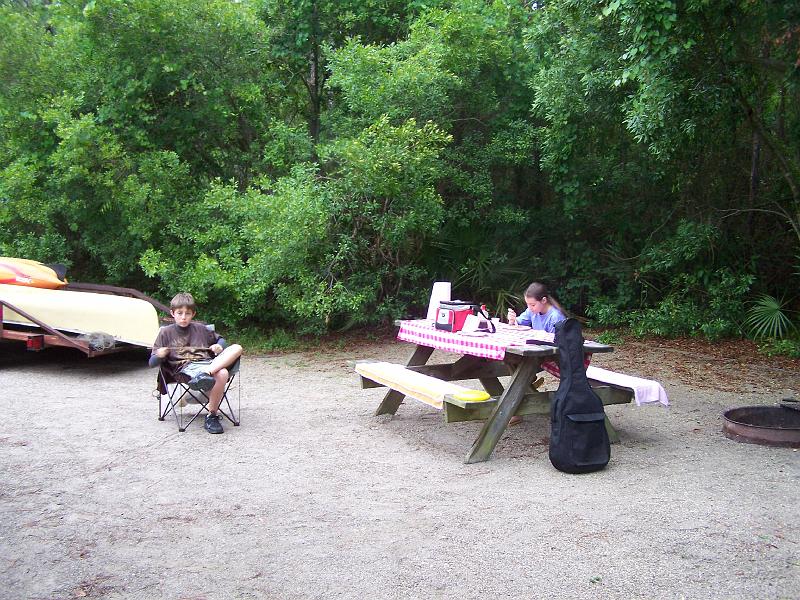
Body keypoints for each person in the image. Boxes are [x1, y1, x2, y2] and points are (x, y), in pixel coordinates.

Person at [150, 292, 243, 434]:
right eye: (179, 313)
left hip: (208, 364)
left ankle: (206, 378)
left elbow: (221, 340)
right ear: (172, 313)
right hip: (184, 369)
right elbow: (152, 362)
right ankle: (212, 415)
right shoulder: (165, 333)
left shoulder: (201, 328)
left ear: (193, 314)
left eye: (187, 313)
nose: (183, 317)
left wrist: (219, 346)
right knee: (223, 373)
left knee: (237, 348)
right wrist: (159, 354)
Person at [506, 282, 567, 425]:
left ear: (544, 300)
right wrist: (513, 320)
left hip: (553, 358)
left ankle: (516, 405)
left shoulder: (555, 317)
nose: (529, 308)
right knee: (511, 360)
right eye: (527, 305)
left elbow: (557, 345)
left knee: (518, 367)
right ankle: (526, 386)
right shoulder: (532, 311)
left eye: (532, 304)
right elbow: (519, 323)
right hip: (536, 354)